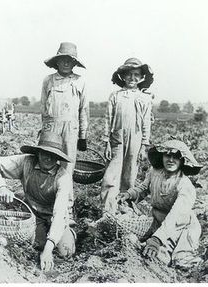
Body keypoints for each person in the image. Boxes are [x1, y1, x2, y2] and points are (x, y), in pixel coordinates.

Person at [0, 132, 76, 272]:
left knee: (66, 252)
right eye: (45, 153)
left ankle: (70, 232)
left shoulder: (62, 177)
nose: (49, 158)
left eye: (54, 155)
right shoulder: (26, 162)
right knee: (32, 244)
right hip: (33, 215)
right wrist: (1, 187)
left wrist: (48, 250)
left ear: (58, 157)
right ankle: (40, 237)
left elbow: (58, 215)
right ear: (38, 152)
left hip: (57, 217)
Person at [116, 139, 203, 268]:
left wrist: (157, 239)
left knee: (172, 261)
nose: (171, 160)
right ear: (162, 156)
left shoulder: (185, 186)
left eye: (176, 157)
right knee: (121, 228)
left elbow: (175, 216)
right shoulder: (154, 172)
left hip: (180, 228)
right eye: (168, 155)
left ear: (182, 161)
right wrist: (129, 194)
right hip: (157, 220)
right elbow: (143, 188)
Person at [41, 42, 89, 222]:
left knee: (67, 167)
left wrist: (83, 135)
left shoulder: (80, 81)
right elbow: (44, 107)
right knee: (48, 165)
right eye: (63, 60)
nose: (66, 63)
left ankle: (67, 211)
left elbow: (84, 109)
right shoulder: (48, 80)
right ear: (57, 61)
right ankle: (47, 205)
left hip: (71, 128)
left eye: (70, 60)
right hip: (52, 126)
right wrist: (45, 129)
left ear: (74, 63)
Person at [100, 58, 154, 214]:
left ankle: (124, 207)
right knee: (112, 174)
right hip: (116, 137)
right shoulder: (115, 96)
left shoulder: (144, 98)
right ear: (123, 76)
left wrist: (144, 144)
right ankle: (108, 209)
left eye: (136, 74)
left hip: (136, 138)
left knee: (130, 172)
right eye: (129, 74)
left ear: (142, 77)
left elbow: (146, 123)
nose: (132, 78)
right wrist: (106, 142)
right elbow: (108, 119)